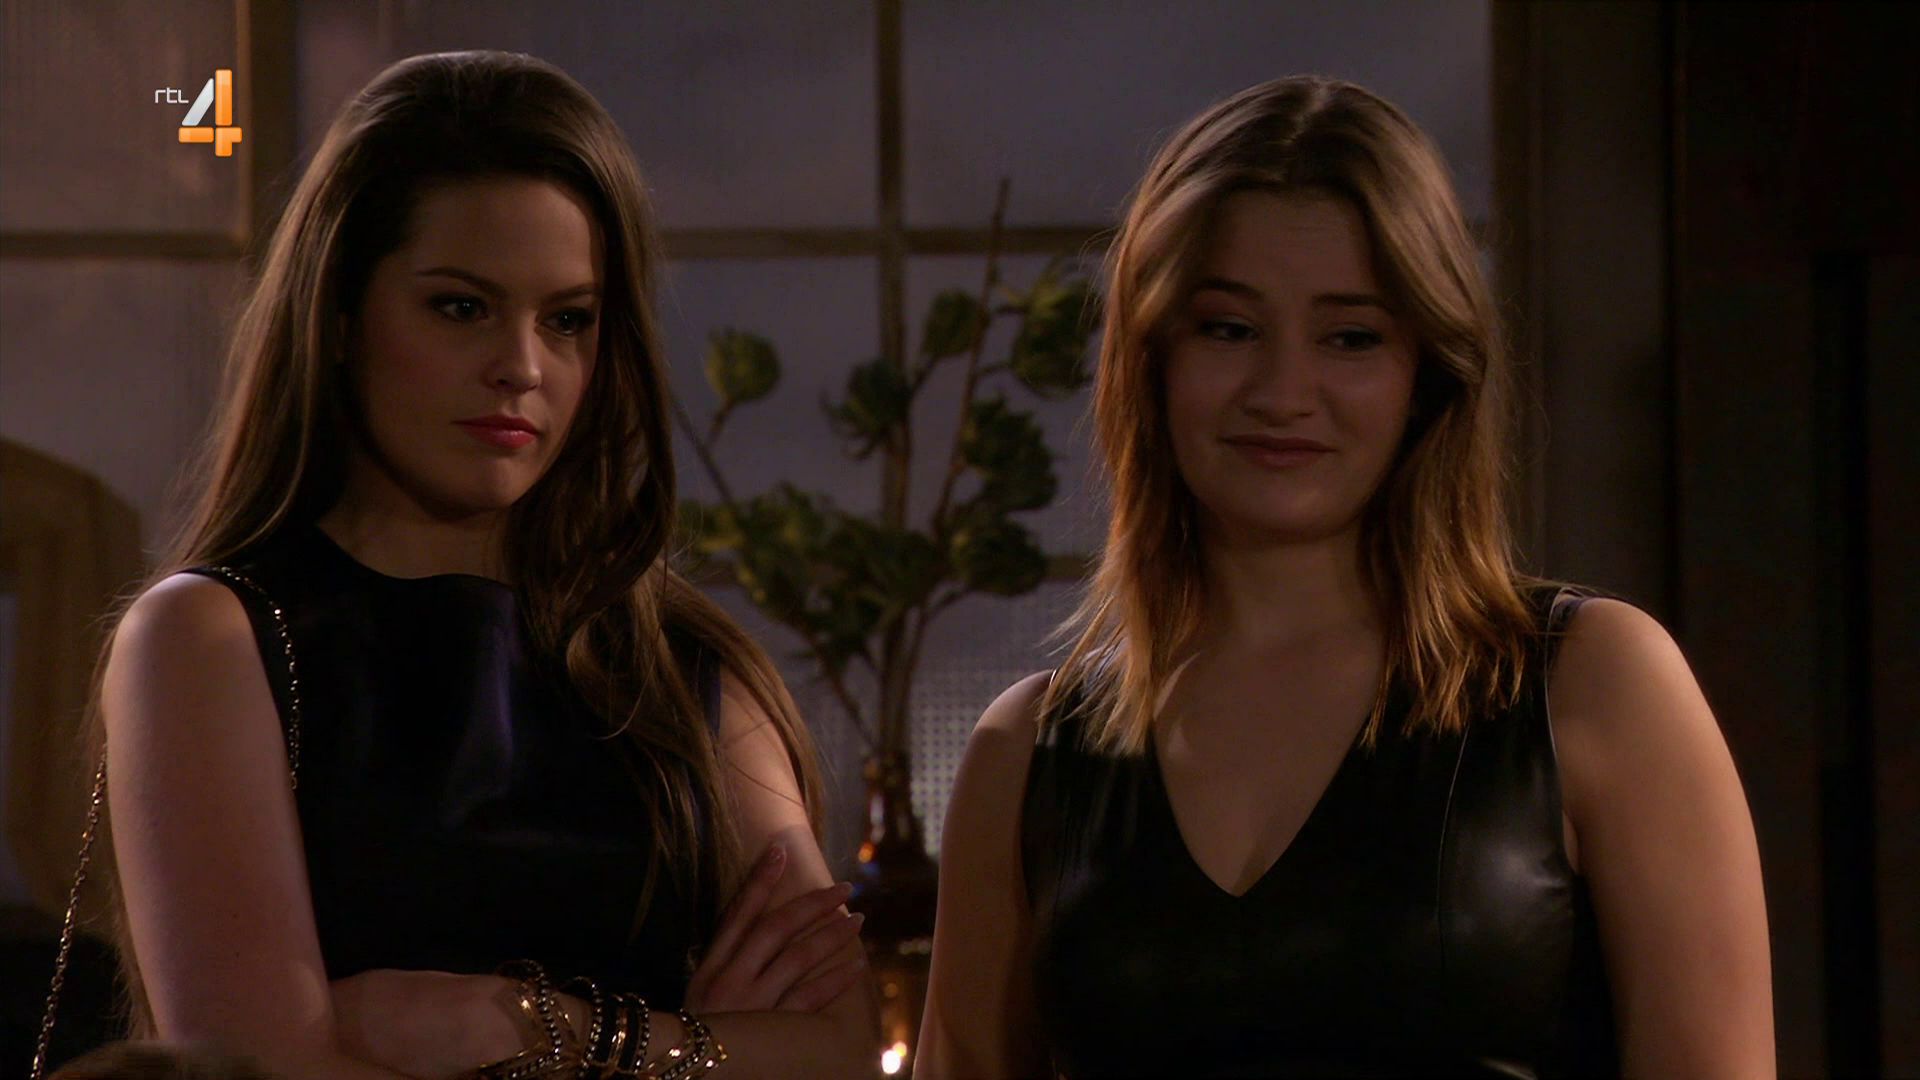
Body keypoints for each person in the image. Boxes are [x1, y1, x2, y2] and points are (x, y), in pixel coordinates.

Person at [916, 76, 1773, 1078]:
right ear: (1151, 361)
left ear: (1427, 373)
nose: (1284, 392)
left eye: (1351, 337)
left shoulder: (1595, 682)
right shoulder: (1028, 754)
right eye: (1228, 328)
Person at [72, 51, 877, 1078]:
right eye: (461, 307)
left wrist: (531, 1025)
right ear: (338, 317)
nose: (522, 367)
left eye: (569, 321)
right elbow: (266, 1073)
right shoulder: (211, 639)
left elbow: (839, 1056)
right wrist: (693, 1049)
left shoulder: (680, 667)